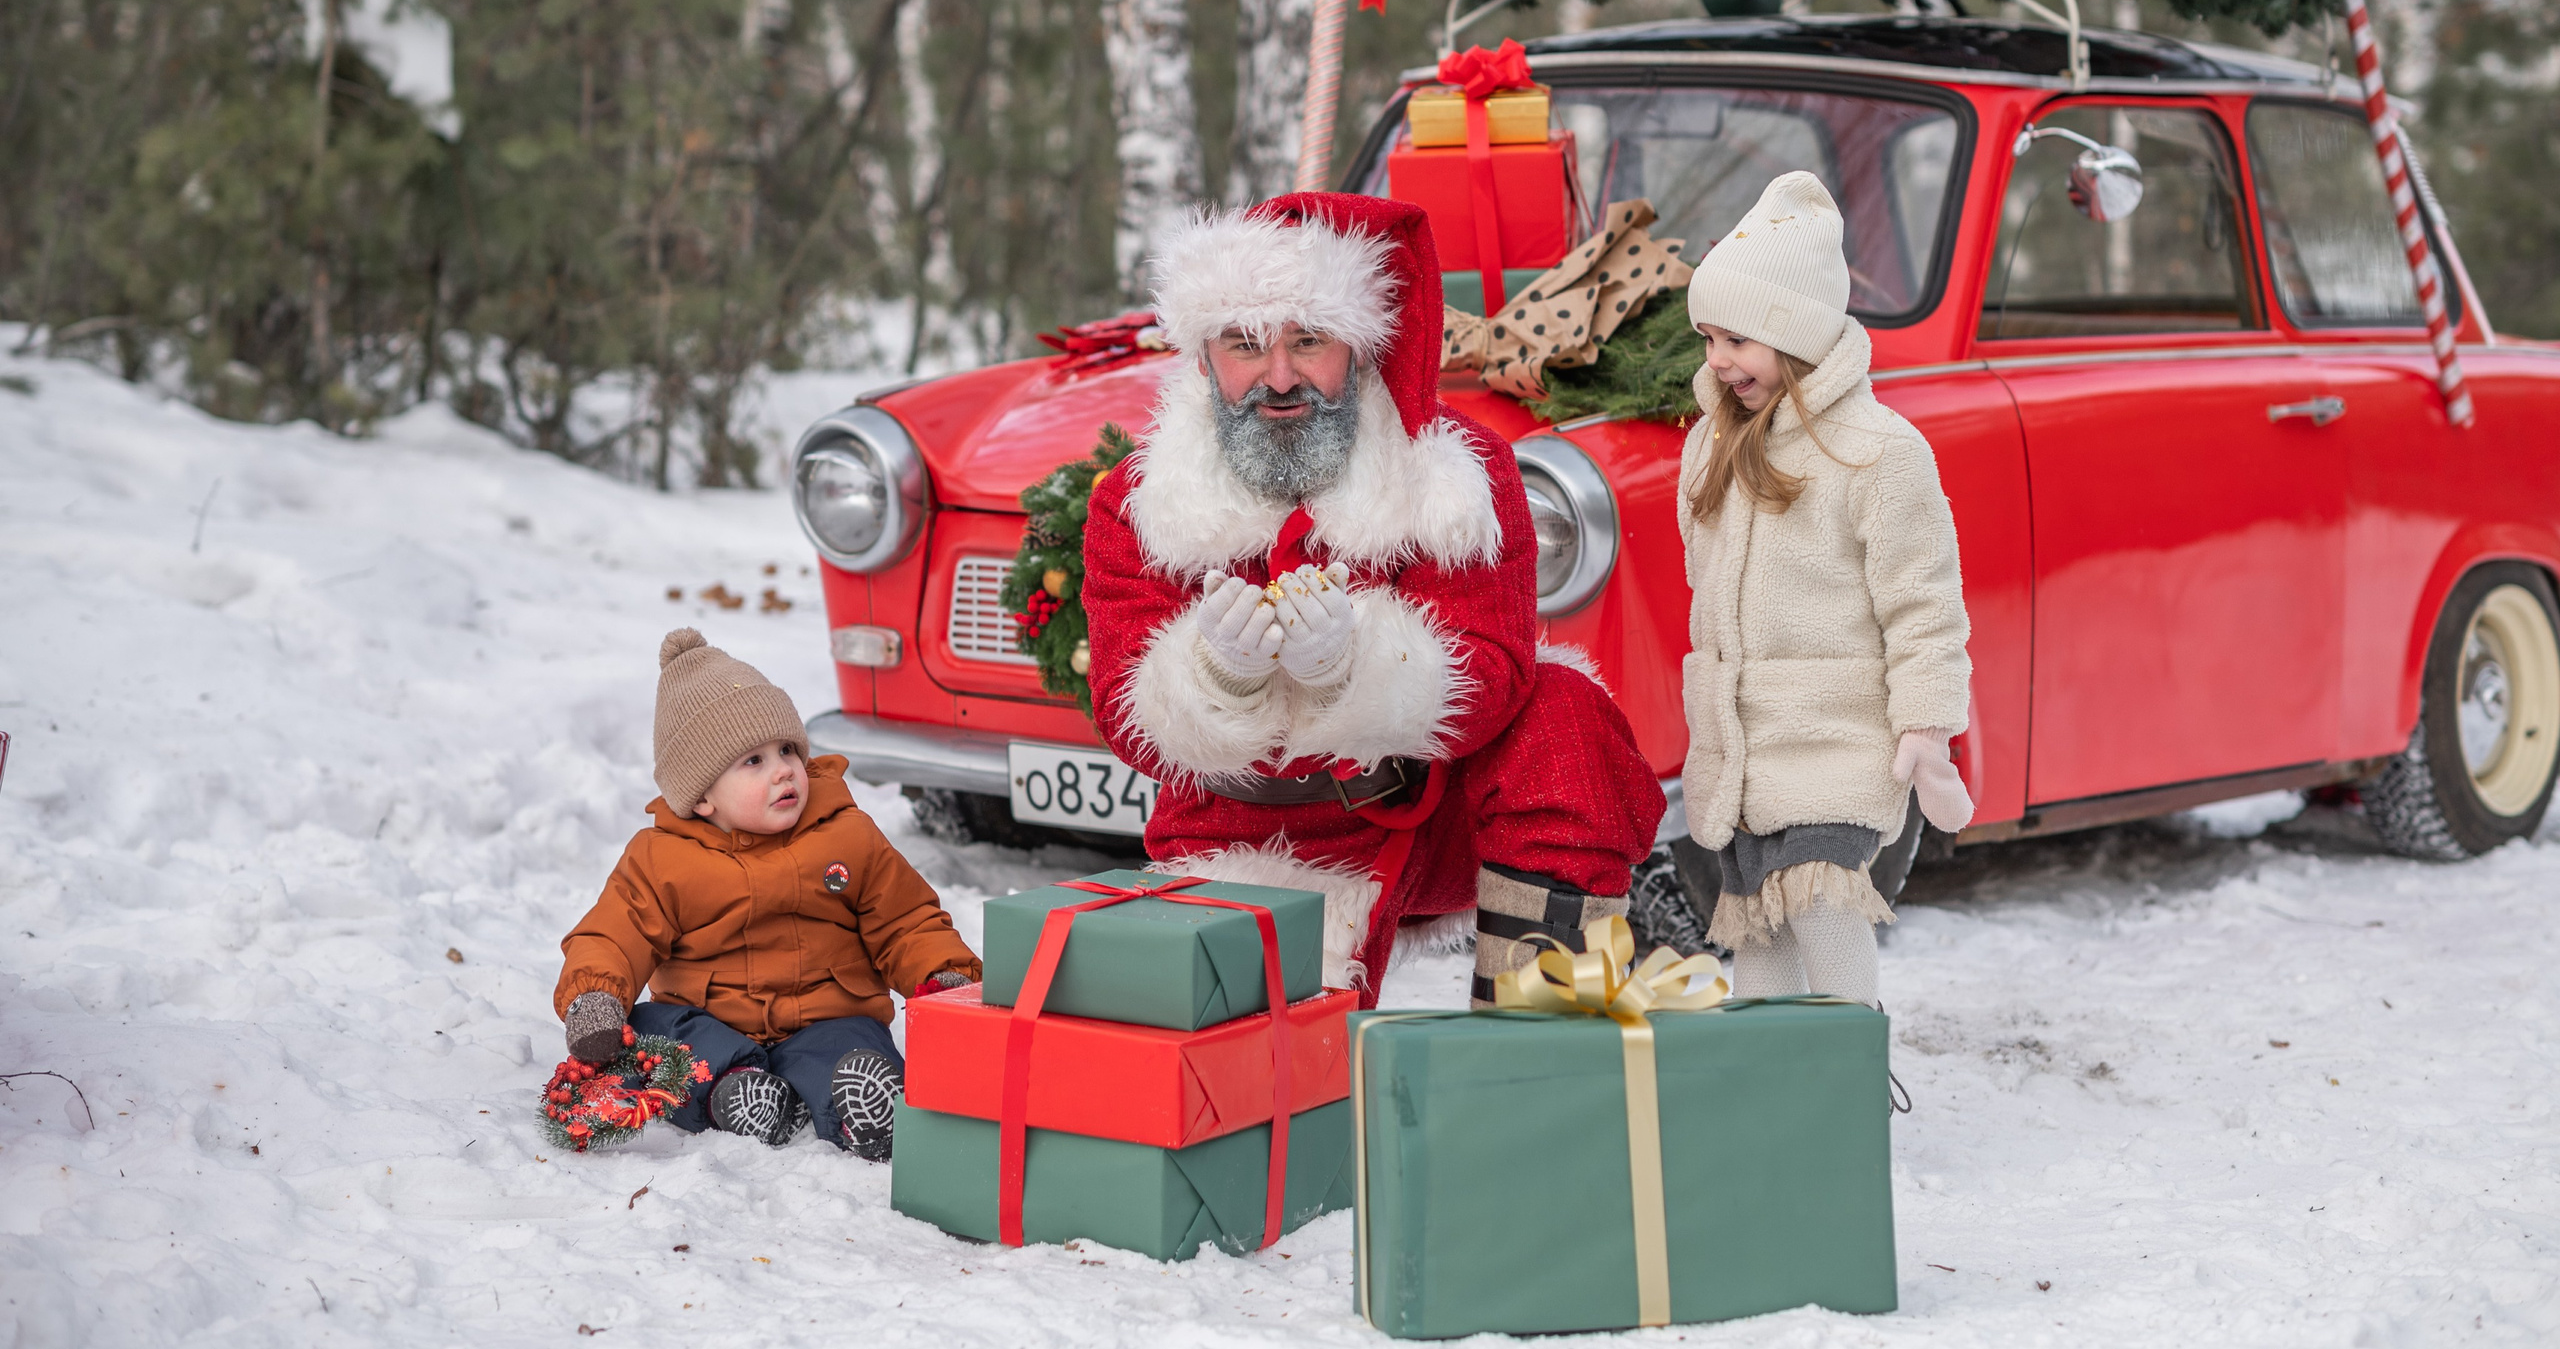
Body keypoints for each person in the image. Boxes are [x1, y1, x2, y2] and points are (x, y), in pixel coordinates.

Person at [1080, 192, 1666, 1006]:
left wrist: (1359, 666)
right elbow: (1121, 706)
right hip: (1244, 824)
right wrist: (1218, 676)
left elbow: (1495, 668)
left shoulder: (1455, 473)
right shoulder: (1137, 500)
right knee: (1272, 1091)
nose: (1279, 377)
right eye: (1246, 344)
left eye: (1309, 341)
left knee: (1564, 716)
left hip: (1423, 811)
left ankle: (1545, 1037)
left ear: (1358, 346)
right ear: (1204, 354)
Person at [1678, 170, 1976, 1006]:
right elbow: (1709, 597)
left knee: (1817, 898)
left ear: (1797, 333)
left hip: (1837, 736)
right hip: (1745, 749)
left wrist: (1925, 723)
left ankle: (1850, 1057)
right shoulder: (1709, 449)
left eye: (1738, 339)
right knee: (1759, 919)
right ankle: (1771, 1083)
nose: (1719, 360)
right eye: (1708, 339)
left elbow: (1924, 602)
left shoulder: (1879, 452)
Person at [553, 629, 979, 1158]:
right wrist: (596, 995)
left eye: (787, 750)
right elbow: (615, 933)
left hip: (824, 1015)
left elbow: (904, 920)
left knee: (854, 1044)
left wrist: (941, 976)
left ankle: (863, 1107)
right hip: (712, 1024)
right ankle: (739, 1097)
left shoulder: (846, 835)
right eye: (753, 761)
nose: (783, 770)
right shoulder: (660, 859)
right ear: (702, 797)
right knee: (651, 1034)